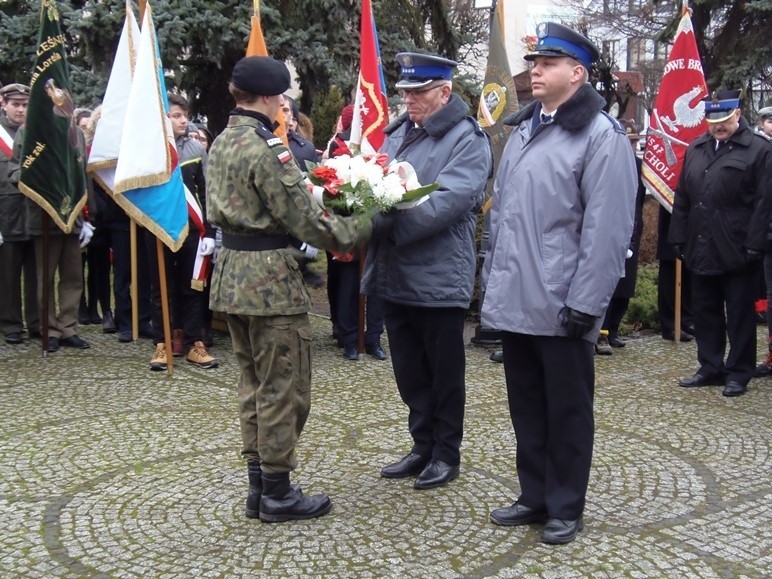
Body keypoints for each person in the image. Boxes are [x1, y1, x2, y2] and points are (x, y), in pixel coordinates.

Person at [480, 22, 637, 544]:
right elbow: (504, 216)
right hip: (519, 298)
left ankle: (566, 504)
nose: (535, 71)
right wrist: (493, 287)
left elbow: (608, 229)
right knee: (526, 403)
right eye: (534, 62)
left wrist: (588, 304)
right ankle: (535, 495)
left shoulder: (600, 136)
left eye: (547, 63)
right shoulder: (526, 128)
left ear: (578, 72)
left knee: (567, 411)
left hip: (564, 303)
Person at [206, 56, 372, 523]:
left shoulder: (221, 141)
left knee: (253, 384)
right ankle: (278, 492)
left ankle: (260, 487)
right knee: (284, 388)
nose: (282, 104)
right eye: (280, 97)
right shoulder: (267, 148)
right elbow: (305, 218)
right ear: (267, 97)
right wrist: (363, 222)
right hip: (269, 284)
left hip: (232, 276)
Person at [362, 52, 492, 490]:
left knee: (443, 371)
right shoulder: (399, 133)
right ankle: (421, 444)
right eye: (404, 92)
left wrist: (383, 228)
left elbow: (448, 203)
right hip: (395, 274)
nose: (409, 100)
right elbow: (376, 184)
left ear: (444, 92)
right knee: (410, 369)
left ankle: (445, 452)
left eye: (418, 92)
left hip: (437, 275)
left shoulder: (467, 140)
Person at [669, 90, 772, 397]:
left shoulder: (758, 150)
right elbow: (683, 196)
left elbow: (766, 203)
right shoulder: (698, 147)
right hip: (701, 243)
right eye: (713, 121)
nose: (719, 126)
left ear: (737, 114)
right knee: (705, 310)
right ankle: (710, 366)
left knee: (739, 314)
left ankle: (739, 371)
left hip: (739, 246)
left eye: (724, 120)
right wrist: (677, 235)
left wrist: (757, 242)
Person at [147, 93, 218, 370]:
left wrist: (210, 231)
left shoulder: (196, 150)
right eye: (176, 115)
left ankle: (193, 342)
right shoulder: (150, 152)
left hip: (192, 230)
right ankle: (162, 342)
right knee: (160, 288)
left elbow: (208, 192)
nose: (183, 120)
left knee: (192, 287)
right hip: (158, 229)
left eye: (184, 115)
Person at [596, 122, 647, 354]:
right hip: (606, 230)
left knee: (624, 289)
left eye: (635, 141)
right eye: (628, 140)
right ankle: (600, 333)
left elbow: (638, 202)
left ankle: (613, 329)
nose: (631, 144)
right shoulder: (604, 160)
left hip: (630, 229)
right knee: (604, 286)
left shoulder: (638, 165)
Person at [0, 83, 39, 345]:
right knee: (7, 274)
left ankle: (37, 323)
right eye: (16, 104)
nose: (21, 109)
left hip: (35, 213)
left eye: (25, 105)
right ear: (4, 104)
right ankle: (10, 323)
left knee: (37, 273)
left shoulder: (37, 133)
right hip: (7, 214)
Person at [657, 205, 695, 342]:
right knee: (670, 265)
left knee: (690, 265)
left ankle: (688, 319)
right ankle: (671, 324)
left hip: (694, 209)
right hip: (671, 205)